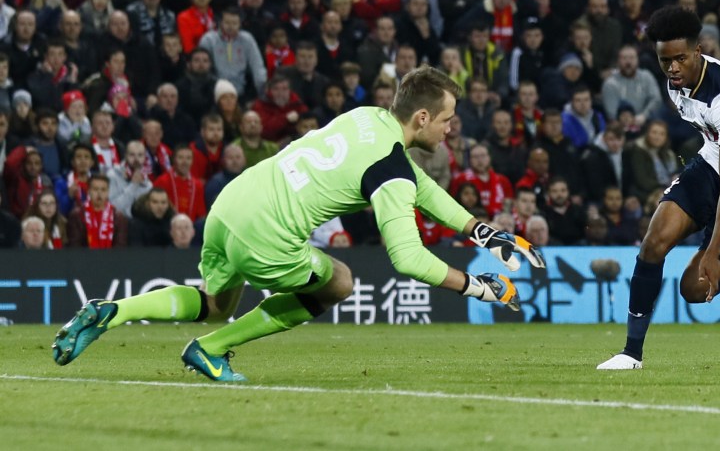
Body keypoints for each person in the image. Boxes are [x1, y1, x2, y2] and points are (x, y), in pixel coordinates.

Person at [52, 66, 545, 382]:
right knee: (339, 283)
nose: (450, 128)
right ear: (421, 117)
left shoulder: (367, 118)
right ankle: (208, 349)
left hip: (231, 204)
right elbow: (407, 257)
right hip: (268, 234)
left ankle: (112, 311)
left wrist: (480, 230)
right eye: (446, 120)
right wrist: (476, 286)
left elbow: (417, 182)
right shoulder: (390, 167)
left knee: (216, 302)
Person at [598, 6, 720, 370]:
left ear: (698, 51)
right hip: (713, 160)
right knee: (653, 243)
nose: (673, 68)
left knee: (694, 289)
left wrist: (712, 251)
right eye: (665, 60)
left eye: (680, 58)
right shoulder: (674, 81)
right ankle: (631, 353)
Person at [66, 174, 128, 248]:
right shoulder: (77, 215)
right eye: (95, 189)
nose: (99, 193)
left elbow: (120, 247)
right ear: (88, 191)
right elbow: (75, 246)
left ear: (108, 192)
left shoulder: (118, 218)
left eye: (103, 190)